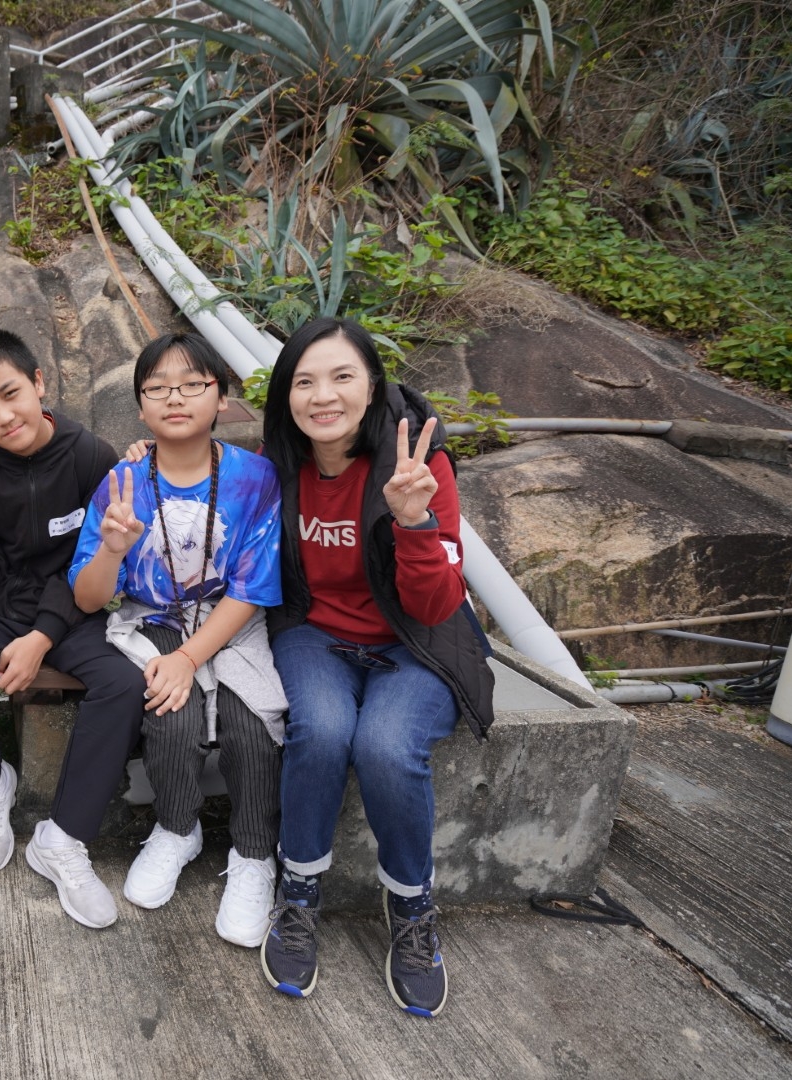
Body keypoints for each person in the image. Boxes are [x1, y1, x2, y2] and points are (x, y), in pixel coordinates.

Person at [257, 316, 494, 1018]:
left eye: (341, 377)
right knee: (323, 730)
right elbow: (205, 478)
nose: (322, 396)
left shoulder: (417, 465)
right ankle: (299, 894)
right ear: (285, 395)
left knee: (387, 744)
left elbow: (436, 603)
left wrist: (415, 523)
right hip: (315, 632)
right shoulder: (278, 463)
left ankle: (412, 907)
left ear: (371, 386)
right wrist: (147, 456)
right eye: (304, 381)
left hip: (414, 641)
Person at [0, 329, 147, 930]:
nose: (2, 416)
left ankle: (63, 837)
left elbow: (89, 566)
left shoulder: (90, 457)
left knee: (123, 683)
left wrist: (42, 635)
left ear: (39, 383)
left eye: (10, 393)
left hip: (71, 609)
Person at [68, 331, 287, 947]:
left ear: (221, 397)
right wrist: (113, 550)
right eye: (158, 387)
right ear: (141, 407)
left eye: (193, 384)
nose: (175, 397)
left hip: (231, 618)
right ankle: (176, 827)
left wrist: (193, 656)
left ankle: (254, 853)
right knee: (169, 712)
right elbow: (88, 598)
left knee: (253, 721)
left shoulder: (255, 478)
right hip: (153, 618)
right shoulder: (122, 480)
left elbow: (252, 587)